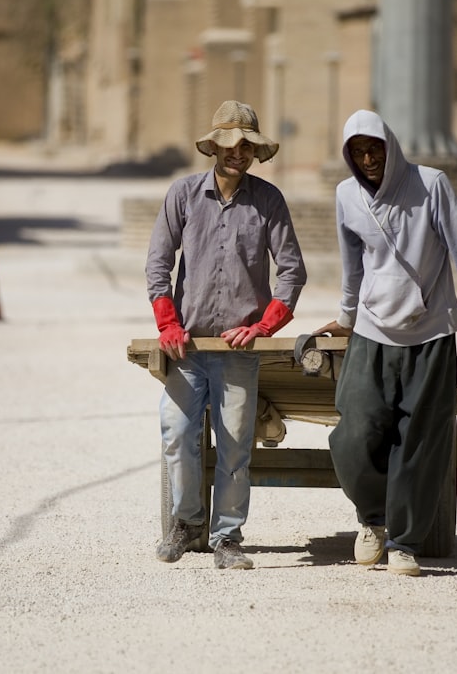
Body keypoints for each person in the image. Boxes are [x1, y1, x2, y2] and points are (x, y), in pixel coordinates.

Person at [314, 109, 457, 577]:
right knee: (354, 434)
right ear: (349, 157)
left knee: (419, 441)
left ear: (390, 146)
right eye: (358, 152)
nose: (368, 159)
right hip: (371, 333)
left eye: (375, 148)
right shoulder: (346, 195)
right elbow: (352, 266)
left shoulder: (431, 184)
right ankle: (374, 520)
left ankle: (404, 542)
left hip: (431, 332)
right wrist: (344, 318)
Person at [146, 100, 307, 570]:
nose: (238, 153)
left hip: (240, 350)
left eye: (247, 146)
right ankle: (187, 524)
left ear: (255, 153)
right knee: (177, 434)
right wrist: (168, 323)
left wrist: (264, 325)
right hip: (189, 348)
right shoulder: (182, 195)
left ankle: (228, 537)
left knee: (236, 443)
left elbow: (292, 272)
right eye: (230, 144)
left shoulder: (269, 201)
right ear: (213, 146)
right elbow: (158, 264)